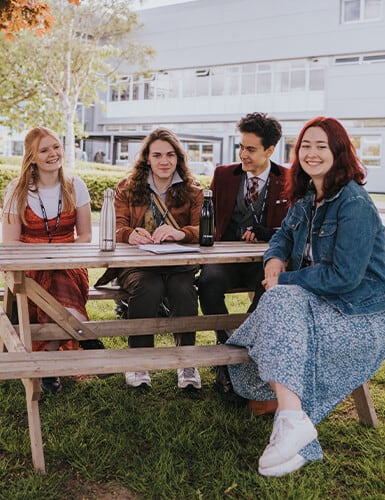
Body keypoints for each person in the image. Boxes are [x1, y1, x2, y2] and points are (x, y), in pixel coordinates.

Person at [226, 116, 385, 477]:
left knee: (280, 301)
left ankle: (290, 418)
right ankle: (291, 418)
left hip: (359, 315)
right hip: (321, 304)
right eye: (306, 146)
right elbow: (283, 234)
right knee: (280, 301)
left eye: (322, 146)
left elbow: (344, 277)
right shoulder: (309, 198)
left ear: (339, 152)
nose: (312, 153)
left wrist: (285, 281)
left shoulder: (354, 203)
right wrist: (274, 260)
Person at [198, 112, 289, 406]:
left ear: (270, 150)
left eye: (250, 149)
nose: (243, 155)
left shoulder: (288, 180)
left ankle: (243, 353)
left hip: (265, 263)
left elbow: (294, 229)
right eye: (241, 147)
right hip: (226, 260)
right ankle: (226, 348)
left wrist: (268, 232)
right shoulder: (224, 175)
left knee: (270, 289)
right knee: (207, 282)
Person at [102, 127, 203, 390]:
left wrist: (180, 233)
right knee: (149, 287)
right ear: (147, 157)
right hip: (138, 265)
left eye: (170, 155)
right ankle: (139, 361)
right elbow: (116, 227)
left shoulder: (193, 190)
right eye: (157, 155)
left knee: (184, 290)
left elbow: (205, 229)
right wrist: (129, 234)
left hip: (177, 263)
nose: (164, 161)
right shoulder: (126, 188)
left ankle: (187, 362)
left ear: (178, 158)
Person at [2, 127, 92, 393]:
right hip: (29, 265)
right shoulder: (16, 190)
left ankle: (46, 364)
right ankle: (81, 333)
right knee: (49, 280)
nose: (53, 154)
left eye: (56, 147)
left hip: (68, 264)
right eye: (44, 150)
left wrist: (61, 255)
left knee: (61, 277)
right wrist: (43, 255)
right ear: (32, 158)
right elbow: (10, 242)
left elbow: (85, 235)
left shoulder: (76, 186)